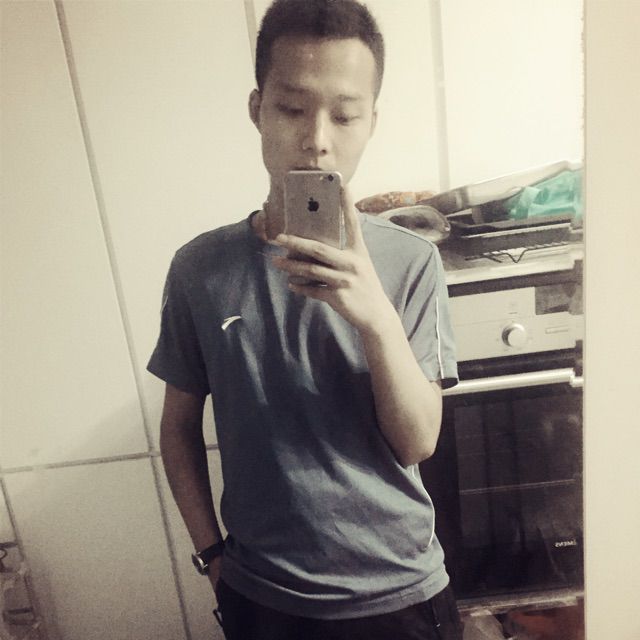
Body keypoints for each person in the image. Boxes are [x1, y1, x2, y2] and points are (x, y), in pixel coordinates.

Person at [148, 0, 461, 638]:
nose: (318, 138)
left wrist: (375, 317)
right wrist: (211, 557)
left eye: (344, 115)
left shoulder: (412, 261)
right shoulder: (198, 270)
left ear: (371, 121)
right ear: (257, 109)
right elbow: (177, 430)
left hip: (399, 594)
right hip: (261, 597)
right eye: (292, 108)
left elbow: (417, 442)